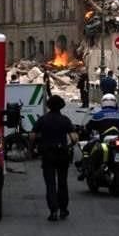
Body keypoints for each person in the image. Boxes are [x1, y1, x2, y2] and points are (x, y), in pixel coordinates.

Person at [32, 94, 77, 222]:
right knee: (62, 182)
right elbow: (74, 138)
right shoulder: (65, 120)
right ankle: (63, 209)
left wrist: (33, 148)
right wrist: (68, 146)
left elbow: (32, 136)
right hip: (62, 153)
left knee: (50, 183)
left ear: (49, 106)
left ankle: (53, 210)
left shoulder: (43, 120)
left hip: (47, 154)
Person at [76, 93, 119, 181]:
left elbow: (89, 127)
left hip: (103, 138)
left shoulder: (99, 115)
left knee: (87, 148)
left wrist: (85, 130)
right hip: (118, 139)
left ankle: (84, 169)